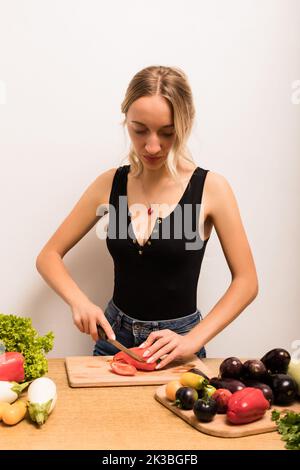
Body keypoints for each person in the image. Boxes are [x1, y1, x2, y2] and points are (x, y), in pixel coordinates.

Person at [36, 65, 259, 370]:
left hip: (177, 344)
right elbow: (48, 256)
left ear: (186, 124)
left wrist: (192, 339)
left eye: (167, 133)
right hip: (114, 338)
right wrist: (80, 302)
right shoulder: (109, 184)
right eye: (139, 130)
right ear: (125, 119)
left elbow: (246, 282)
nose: (152, 146)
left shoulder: (212, 188)